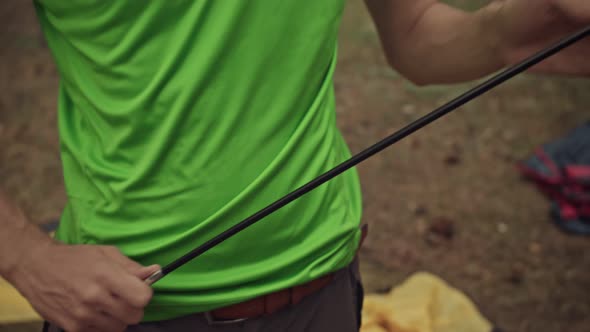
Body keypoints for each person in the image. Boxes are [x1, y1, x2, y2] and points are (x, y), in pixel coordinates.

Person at [0, 1, 588, 331]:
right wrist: (28, 256)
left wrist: (530, 29)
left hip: (322, 296)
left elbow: (415, 35)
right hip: (131, 313)